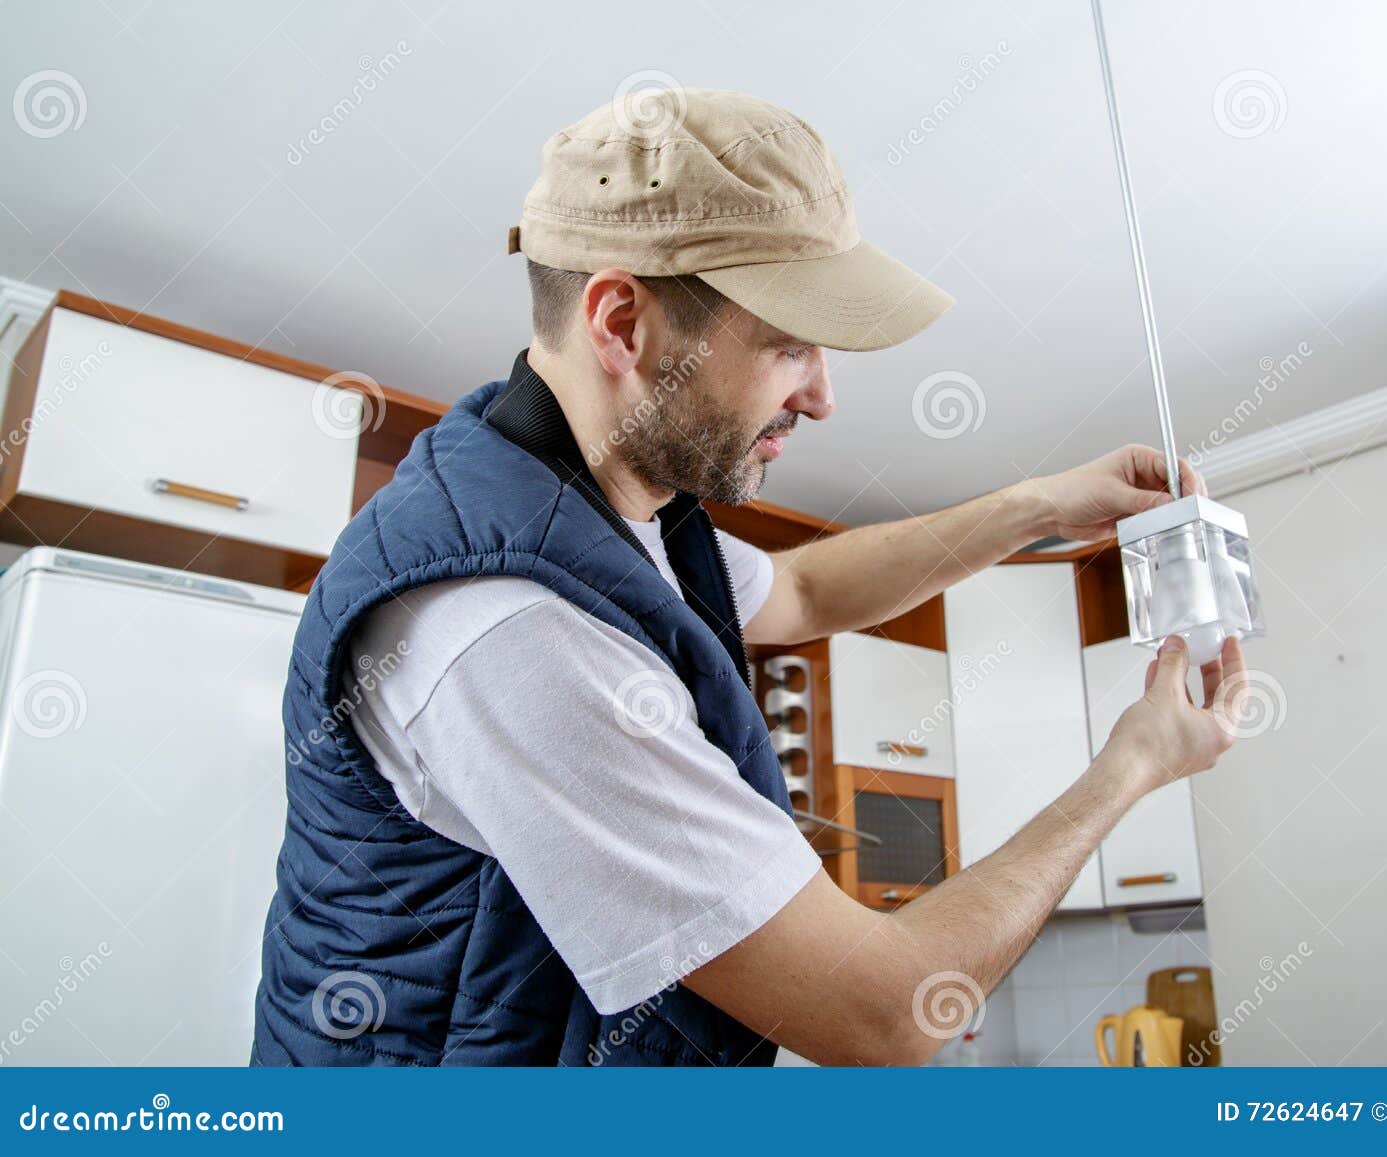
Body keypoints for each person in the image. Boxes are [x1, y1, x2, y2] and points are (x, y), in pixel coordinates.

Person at [252, 88, 1248, 1067]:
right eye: (789, 344)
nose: (821, 396)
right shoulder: (512, 631)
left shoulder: (593, 507)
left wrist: (1038, 506)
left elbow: (806, 593)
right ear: (623, 325)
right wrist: (1136, 761)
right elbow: (889, 1012)